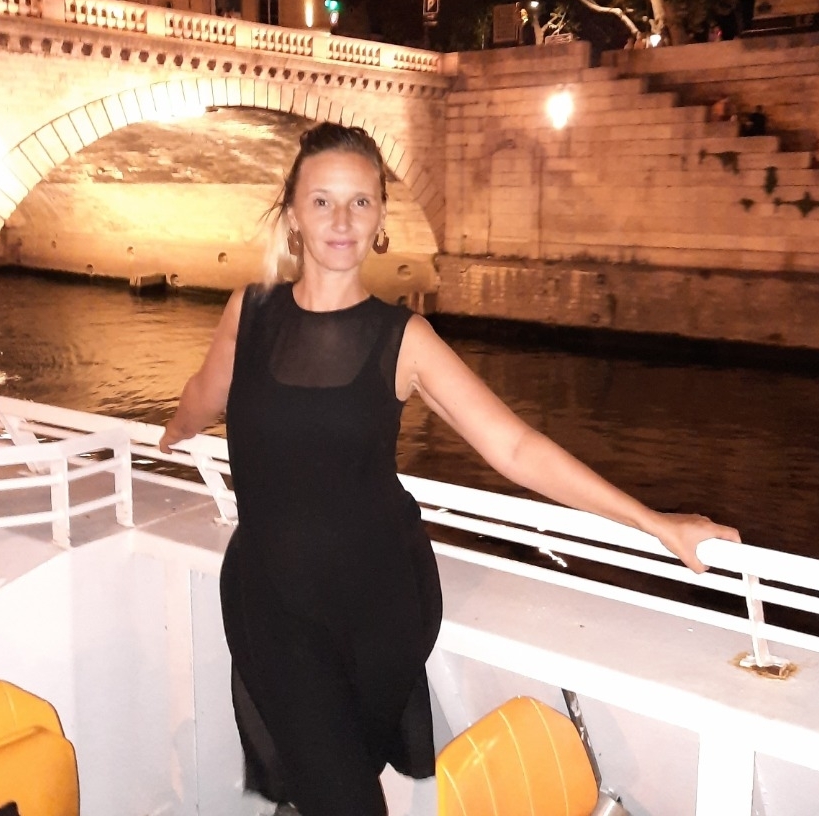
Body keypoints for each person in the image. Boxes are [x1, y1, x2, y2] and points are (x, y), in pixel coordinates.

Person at [159, 122, 740, 816]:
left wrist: (653, 523)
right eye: (322, 202)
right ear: (292, 215)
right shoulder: (248, 314)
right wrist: (174, 431)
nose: (341, 221)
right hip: (274, 597)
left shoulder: (403, 338)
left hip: (377, 597)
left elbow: (514, 448)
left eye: (360, 202)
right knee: (342, 793)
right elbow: (208, 394)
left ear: (381, 218)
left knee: (337, 768)